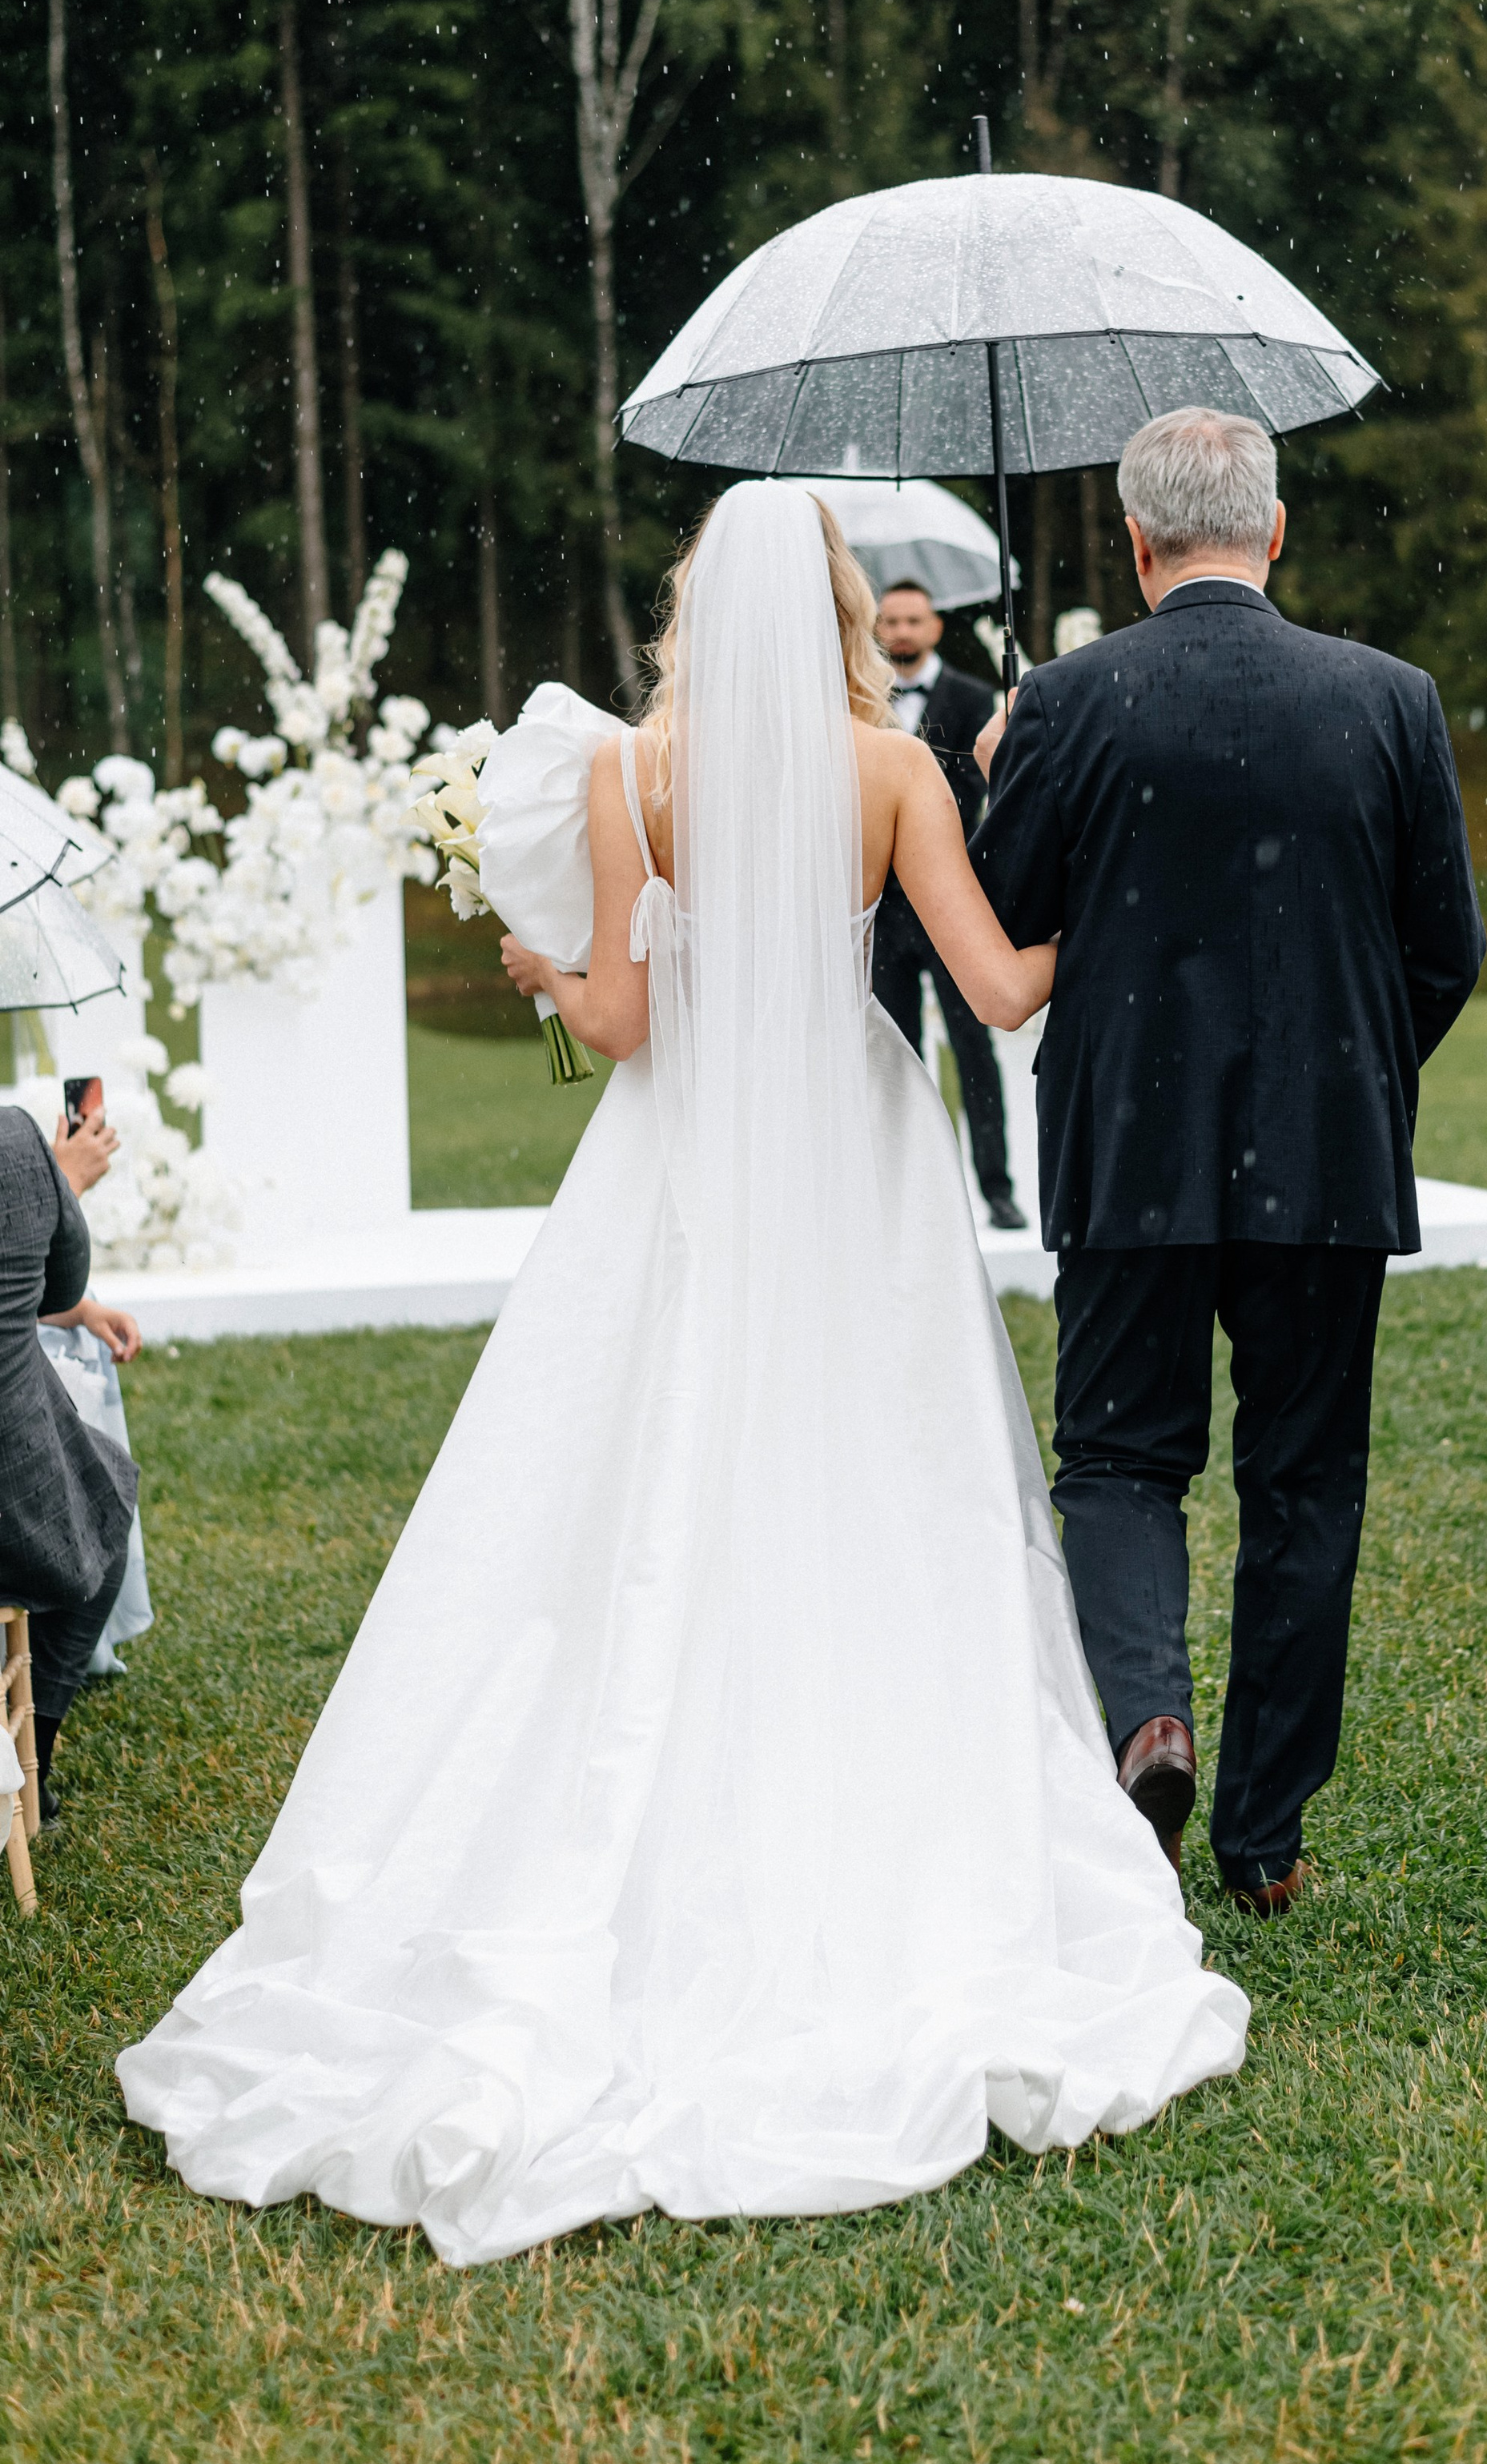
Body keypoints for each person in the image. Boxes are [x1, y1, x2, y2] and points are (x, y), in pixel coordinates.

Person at [120, 482, 1247, 2265]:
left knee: (624, 1478)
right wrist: (1116, 883)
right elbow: (1003, 991)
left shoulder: (630, 774)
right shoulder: (893, 776)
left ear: (687, 612)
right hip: (852, 1155)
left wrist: (546, 973)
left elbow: (626, 1025)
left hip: (669, 1161)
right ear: (829, 605)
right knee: (881, 1476)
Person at [971, 405, 1485, 1916]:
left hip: (1126, 1146)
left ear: (1135, 545)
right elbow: (1442, 953)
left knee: (1123, 1460)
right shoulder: (1391, 699)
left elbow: (1002, 922)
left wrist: (1008, 762)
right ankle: (1263, 1838)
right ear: (1275, 531)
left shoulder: (1070, 700)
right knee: (1304, 1483)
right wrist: (1348, 1080)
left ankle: (1148, 1718)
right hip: (1326, 1161)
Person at [0, 1105, 142, 1829]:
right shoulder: (17, 1143)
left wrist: (81, 1312)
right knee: (105, 1494)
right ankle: (34, 1760)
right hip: (13, 1513)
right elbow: (50, 1283)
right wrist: (62, 1178)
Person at [870, 582, 1027, 1230]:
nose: (902, 631)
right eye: (891, 621)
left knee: (972, 1043)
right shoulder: (861, 699)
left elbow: (976, 792)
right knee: (891, 1048)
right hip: (880, 908)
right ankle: (902, 1189)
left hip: (949, 897)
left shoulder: (970, 697)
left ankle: (996, 1185)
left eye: (913, 619)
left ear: (934, 626)